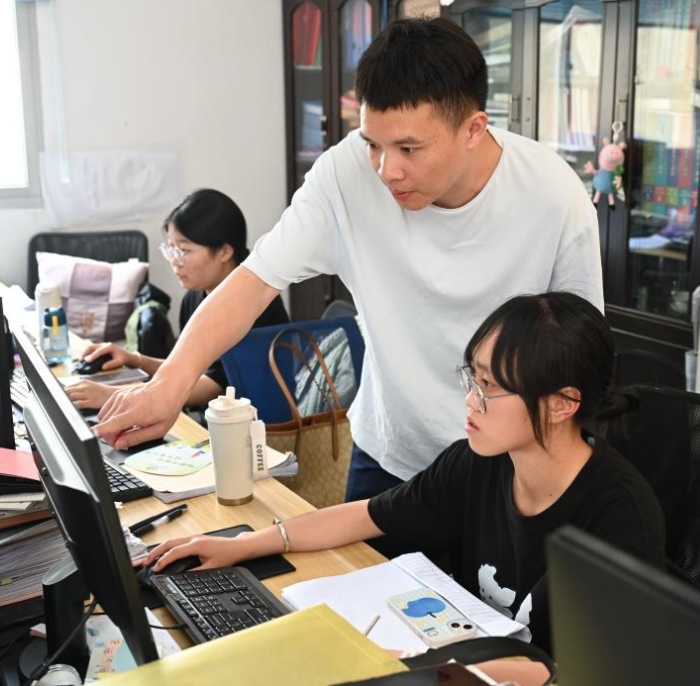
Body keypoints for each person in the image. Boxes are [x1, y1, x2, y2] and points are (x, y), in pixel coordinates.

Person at [95, 17, 603, 504]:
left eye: (409, 148)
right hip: (391, 454)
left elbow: (580, 355)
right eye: (373, 144)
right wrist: (168, 385)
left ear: (473, 129)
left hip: (507, 466)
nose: (386, 170)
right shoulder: (344, 175)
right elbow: (254, 282)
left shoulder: (552, 195)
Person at [142, 293, 665, 685]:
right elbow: (368, 514)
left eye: (489, 387)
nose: (470, 400)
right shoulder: (478, 463)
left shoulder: (619, 515)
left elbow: (594, 671)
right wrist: (244, 544)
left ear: (561, 404)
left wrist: (425, 664)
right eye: (472, 378)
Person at [66, 189, 288, 411]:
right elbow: (185, 370)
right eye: (171, 248)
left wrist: (113, 395)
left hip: (258, 420)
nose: (174, 261)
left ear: (224, 252)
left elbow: (216, 387)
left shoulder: (252, 300)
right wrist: (133, 359)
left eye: (184, 250)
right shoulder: (195, 296)